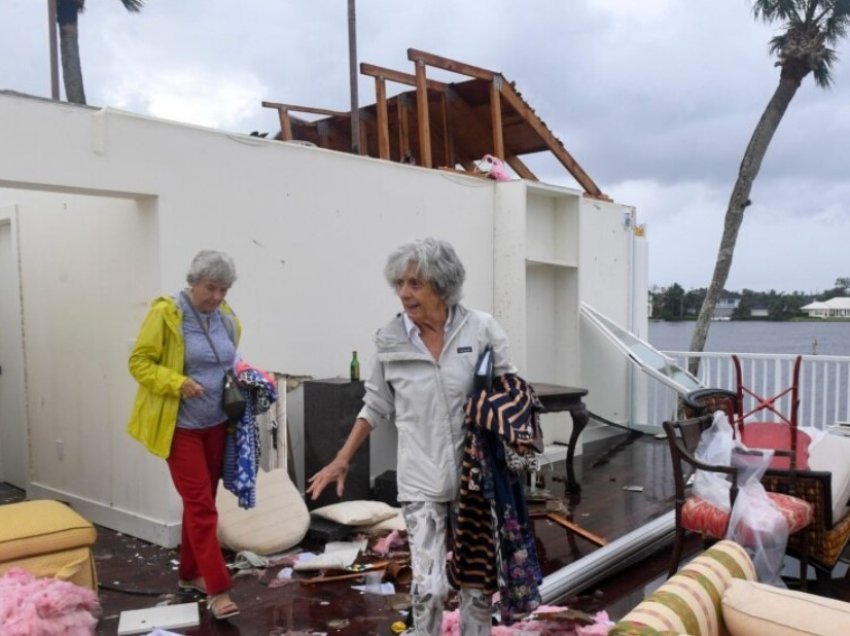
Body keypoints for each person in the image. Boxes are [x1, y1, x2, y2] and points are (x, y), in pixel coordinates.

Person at [307, 237, 516, 636]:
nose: (404, 293)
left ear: (442, 284)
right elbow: (375, 405)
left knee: (475, 586)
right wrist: (342, 458)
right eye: (399, 283)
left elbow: (510, 389)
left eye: (415, 283)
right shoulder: (390, 341)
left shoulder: (482, 328)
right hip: (420, 478)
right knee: (430, 587)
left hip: (476, 480)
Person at [127, 249, 241, 620]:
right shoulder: (166, 314)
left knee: (202, 502)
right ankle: (218, 588)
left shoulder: (225, 317)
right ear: (193, 283)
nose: (217, 297)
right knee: (202, 506)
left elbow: (230, 360)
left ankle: (191, 574)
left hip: (216, 425)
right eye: (211, 288)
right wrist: (175, 382)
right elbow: (139, 363)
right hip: (181, 429)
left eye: (224, 289)